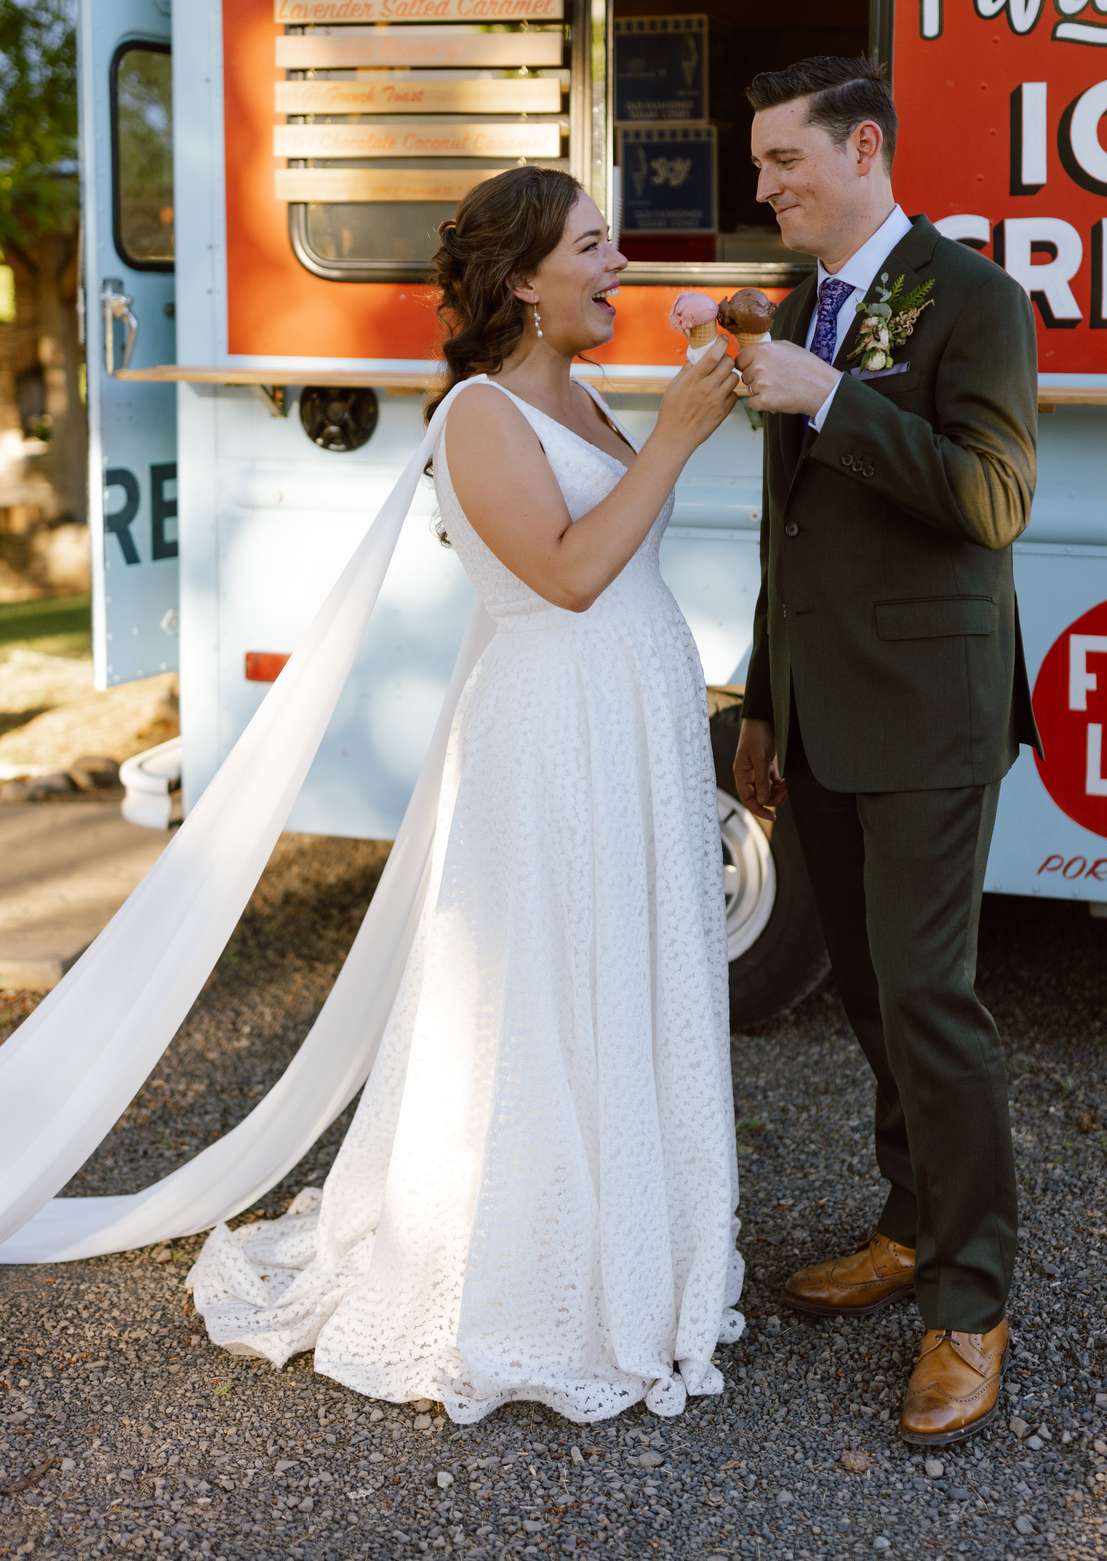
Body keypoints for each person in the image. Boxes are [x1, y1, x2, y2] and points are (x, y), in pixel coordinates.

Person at [188, 166, 746, 1424]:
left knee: (629, 971)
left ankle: (631, 1250)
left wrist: (661, 420)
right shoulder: (479, 415)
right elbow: (563, 574)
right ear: (522, 281)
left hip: (632, 717)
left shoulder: (589, 395)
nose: (620, 268)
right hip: (554, 730)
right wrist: (674, 432)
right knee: (547, 986)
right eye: (595, 248)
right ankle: (522, 1278)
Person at [733, 56, 1041, 1446]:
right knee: (867, 993)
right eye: (758, 164)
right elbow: (786, 535)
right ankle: (911, 1225)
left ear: (864, 147)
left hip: (930, 715)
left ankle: (970, 1303)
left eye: (785, 160)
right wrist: (759, 703)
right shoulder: (801, 308)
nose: (765, 185)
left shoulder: (975, 300)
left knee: (930, 1000)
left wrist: (835, 401)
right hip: (821, 713)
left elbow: (990, 497)